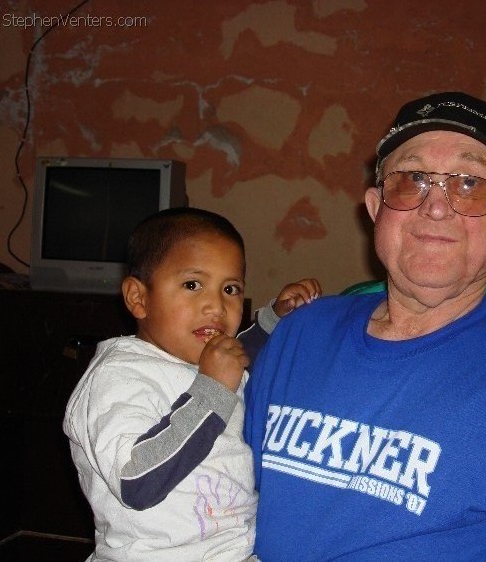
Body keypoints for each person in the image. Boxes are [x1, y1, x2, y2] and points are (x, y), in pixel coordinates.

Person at [244, 92, 486, 560]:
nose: (436, 207)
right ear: (377, 207)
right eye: (412, 179)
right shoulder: (301, 333)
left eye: (470, 184)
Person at [63, 206, 321, 562]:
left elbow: (234, 358)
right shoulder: (119, 374)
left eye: (230, 288)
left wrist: (274, 321)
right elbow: (136, 480)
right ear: (139, 298)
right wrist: (213, 390)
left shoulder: (198, 363)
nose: (215, 304)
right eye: (192, 285)